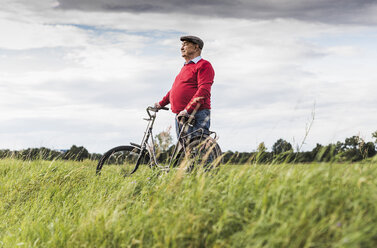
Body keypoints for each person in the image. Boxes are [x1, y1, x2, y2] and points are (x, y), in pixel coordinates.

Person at [154, 35, 215, 138]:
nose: (182, 48)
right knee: (185, 151)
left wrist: (187, 110)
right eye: (182, 45)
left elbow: (204, 90)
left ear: (196, 47)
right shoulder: (186, 67)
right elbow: (174, 90)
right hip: (181, 115)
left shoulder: (204, 65)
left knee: (198, 149)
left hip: (196, 114)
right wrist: (161, 104)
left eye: (185, 44)